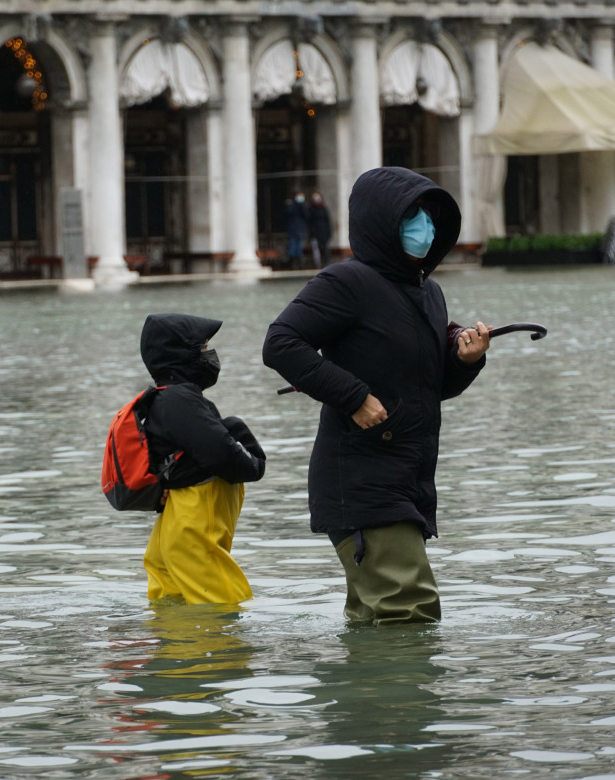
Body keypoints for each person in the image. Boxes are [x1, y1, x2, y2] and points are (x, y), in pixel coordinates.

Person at [261, 167, 490, 624]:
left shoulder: (429, 292)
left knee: (377, 620)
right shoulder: (346, 281)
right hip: (362, 482)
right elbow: (281, 343)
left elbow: (426, 389)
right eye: (411, 216)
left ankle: (364, 697)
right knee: (409, 615)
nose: (424, 227)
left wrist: (466, 361)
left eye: (429, 216)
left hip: (409, 480)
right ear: (380, 221)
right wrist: (354, 397)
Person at [139, 313, 267, 605]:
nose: (208, 355)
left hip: (182, 504)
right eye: (202, 348)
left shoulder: (165, 397)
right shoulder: (180, 399)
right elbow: (221, 453)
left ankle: (176, 644)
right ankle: (225, 647)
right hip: (196, 501)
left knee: (165, 570)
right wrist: (253, 460)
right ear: (180, 354)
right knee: (213, 588)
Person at [285, 192, 309, 269]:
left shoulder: (304, 206)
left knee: (299, 248)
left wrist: (302, 206)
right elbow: (288, 213)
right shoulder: (292, 205)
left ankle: (300, 264)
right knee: (292, 247)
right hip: (292, 230)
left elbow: (307, 215)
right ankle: (292, 264)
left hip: (301, 230)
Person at [308, 191, 332, 268]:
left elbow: (328, 221)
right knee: (316, 250)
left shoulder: (324, 209)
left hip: (324, 232)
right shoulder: (310, 209)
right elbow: (309, 222)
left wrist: (329, 232)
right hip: (315, 233)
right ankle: (317, 264)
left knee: (325, 248)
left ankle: (326, 262)